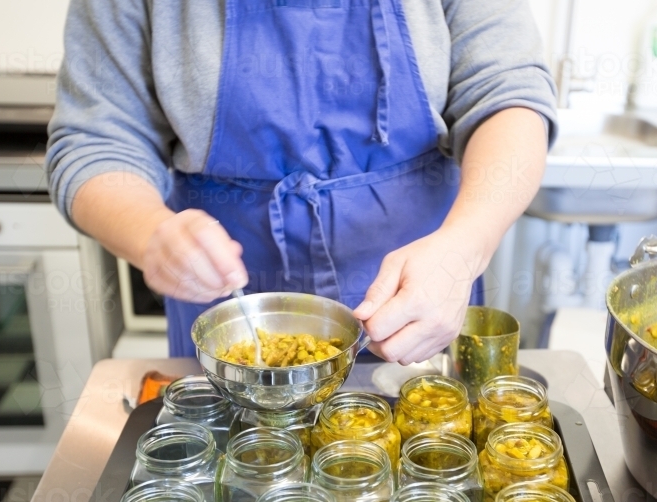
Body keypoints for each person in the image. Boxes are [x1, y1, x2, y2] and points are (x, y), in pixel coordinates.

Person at [46, 0, 557, 364]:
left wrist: (463, 249)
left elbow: (508, 98)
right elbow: (96, 139)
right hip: (233, 308)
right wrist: (149, 233)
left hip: (422, 291)